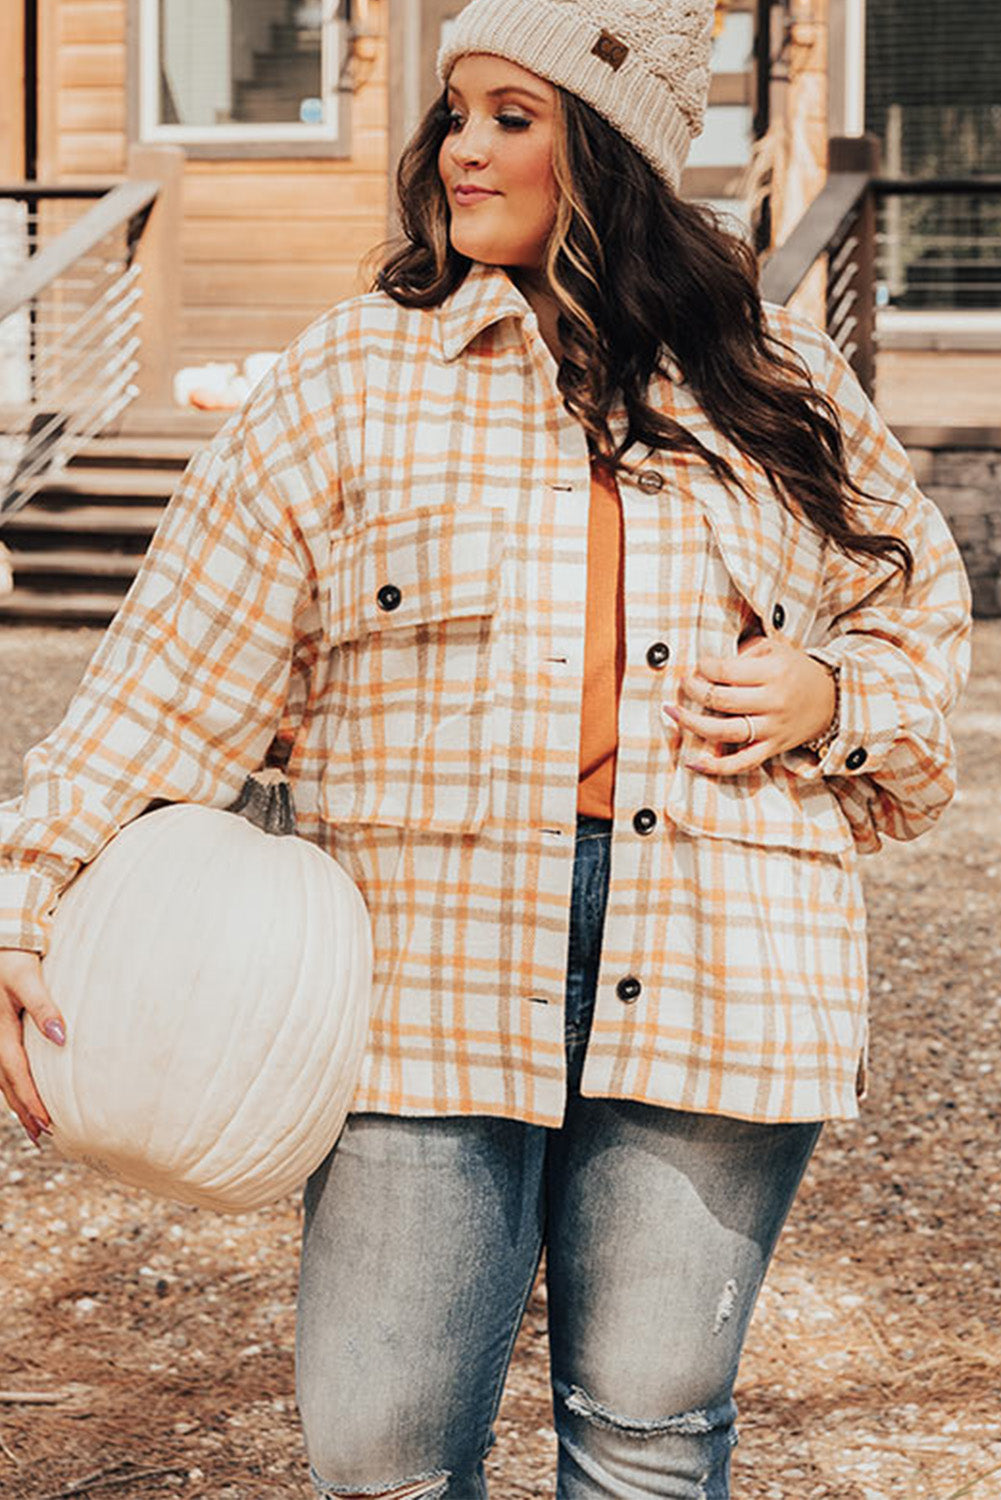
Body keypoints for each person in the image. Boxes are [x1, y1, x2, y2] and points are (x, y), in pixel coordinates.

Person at [0, 1, 972, 1495]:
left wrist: (829, 699)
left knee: (649, 1439)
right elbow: (163, 679)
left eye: (513, 116)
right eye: (455, 112)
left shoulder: (770, 373)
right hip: (427, 967)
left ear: (615, 149)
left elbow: (918, 612)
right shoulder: (349, 380)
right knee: (379, 1451)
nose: (461, 148)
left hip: (730, 956)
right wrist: (27, 895)